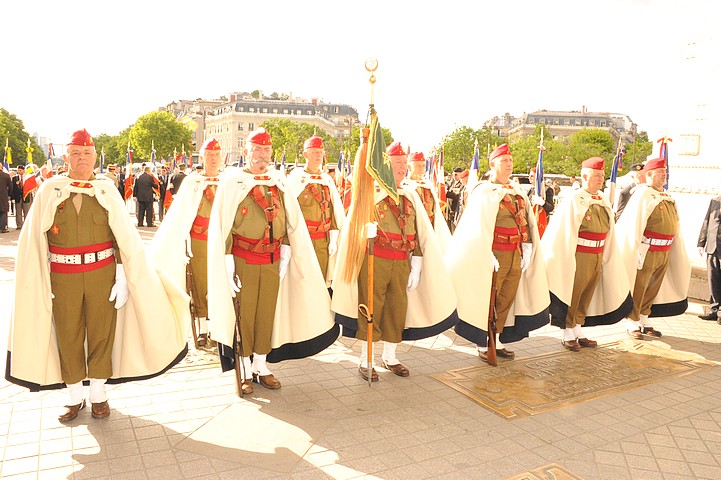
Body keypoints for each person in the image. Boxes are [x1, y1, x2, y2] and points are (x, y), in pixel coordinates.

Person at [6, 129, 188, 423]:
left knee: (102, 333)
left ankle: (99, 395)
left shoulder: (106, 190)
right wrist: (41, 278)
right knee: (68, 334)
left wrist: (123, 273)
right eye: (76, 153)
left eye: (87, 153)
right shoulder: (50, 190)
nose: (82, 159)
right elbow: (34, 241)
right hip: (62, 276)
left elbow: (123, 237)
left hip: (102, 274)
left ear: (94, 157)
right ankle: (74, 396)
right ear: (66, 157)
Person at [207, 128, 339, 394]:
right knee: (244, 316)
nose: (261, 156)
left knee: (267, 312)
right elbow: (223, 225)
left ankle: (261, 365)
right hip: (243, 260)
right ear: (246, 152)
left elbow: (291, 221)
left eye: (266, 151)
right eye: (256, 150)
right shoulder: (233, 183)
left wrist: (288, 250)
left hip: (272, 260)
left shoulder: (277, 182)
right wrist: (227, 260)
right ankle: (244, 367)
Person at [332, 141, 457, 381]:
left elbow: (420, 231)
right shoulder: (371, 193)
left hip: (402, 261)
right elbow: (353, 227)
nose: (402, 168)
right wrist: (363, 233)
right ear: (385, 166)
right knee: (371, 308)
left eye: (403, 163)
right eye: (396, 163)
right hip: (375, 258)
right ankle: (366, 359)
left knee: (396, 309)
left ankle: (390, 357)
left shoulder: (410, 194)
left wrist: (418, 262)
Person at [445, 143, 549, 363]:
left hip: (515, 253)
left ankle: (497, 338)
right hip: (494, 254)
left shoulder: (517, 191)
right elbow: (476, 226)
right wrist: (486, 251)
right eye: (504, 161)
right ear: (493, 164)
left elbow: (525, 221)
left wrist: (528, 246)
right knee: (487, 299)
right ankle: (483, 342)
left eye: (510, 161)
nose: (509, 165)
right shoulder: (483, 192)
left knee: (505, 298)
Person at [541, 157, 632, 350]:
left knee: (587, 293)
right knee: (573, 292)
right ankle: (567, 332)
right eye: (596, 175)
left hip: (597, 253)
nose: (601, 179)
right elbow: (562, 231)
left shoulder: (602, 199)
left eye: (602, 176)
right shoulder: (575, 199)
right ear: (584, 176)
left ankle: (578, 329)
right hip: (579, 254)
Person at [151, 138, 223, 347]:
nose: (213, 159)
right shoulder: (193, 183)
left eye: (216, 156)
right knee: (201, 286)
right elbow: (180, 214)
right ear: (202, 158)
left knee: (220, 284)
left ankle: (218, 328)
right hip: (199, 242)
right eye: (209, 155)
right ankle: (202, 329)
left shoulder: (228, 182)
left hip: (222, 242)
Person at [615, 157, 691, 338]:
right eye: (661, 173)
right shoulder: (642, 194)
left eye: (665, 172)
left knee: (653, 286)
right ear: (649, 174)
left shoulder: (666, 196)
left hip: (664, 250)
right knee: (640, 285)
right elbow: (634, 224)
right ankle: (632, 321)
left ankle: (644, 316)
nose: (664, 176)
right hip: (647, 250)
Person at [286, 135, 345, 287]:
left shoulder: (326, 180)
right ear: (305, 154)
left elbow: (334, 211)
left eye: (321, 152)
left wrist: (334, 237)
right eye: (314, 152)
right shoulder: (296, 179)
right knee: (303, 284)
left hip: (323, 242)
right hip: (302, 240)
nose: (319, 155)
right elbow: (288, 212)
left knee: (321, 283)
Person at [404, 151, 452, 252]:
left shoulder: (428, 186)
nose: (421, 169)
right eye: (417, 166)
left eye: (423, 166)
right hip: (414, 232)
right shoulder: (405, 187)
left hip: (430, 232)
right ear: (408, 167)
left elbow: (435, 212)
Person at [697, 195, 721, 321]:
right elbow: (707, 222)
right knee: (713, 279)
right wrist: (701, 243)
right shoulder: (715, 200)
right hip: (712, 247)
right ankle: (714, 309)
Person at [528, 167, 554, 238]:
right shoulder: (531, 190)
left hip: (541, 221)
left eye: (532, 176)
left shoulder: (547, 189)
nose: (529, 178)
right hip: (530, 220)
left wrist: (543, 203)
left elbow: (551, 207)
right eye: (529, 176)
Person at [10, 165, 33, 229]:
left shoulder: (27, 177)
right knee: (18, 213)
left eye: (20, 170)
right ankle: (19, 225)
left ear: (23, 170)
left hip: (26, 197)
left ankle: (26, 226)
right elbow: (12, 189)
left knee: (26, 212)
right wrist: (13, 198)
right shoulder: (15, 178)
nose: (19, 171)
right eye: (18, 170)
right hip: (18, 198)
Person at [0, 166, 11, 232]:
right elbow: (10, 186)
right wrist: (8, 194)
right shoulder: (6, 175)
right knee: (3, 211)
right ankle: (2, 228)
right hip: (3, 196)